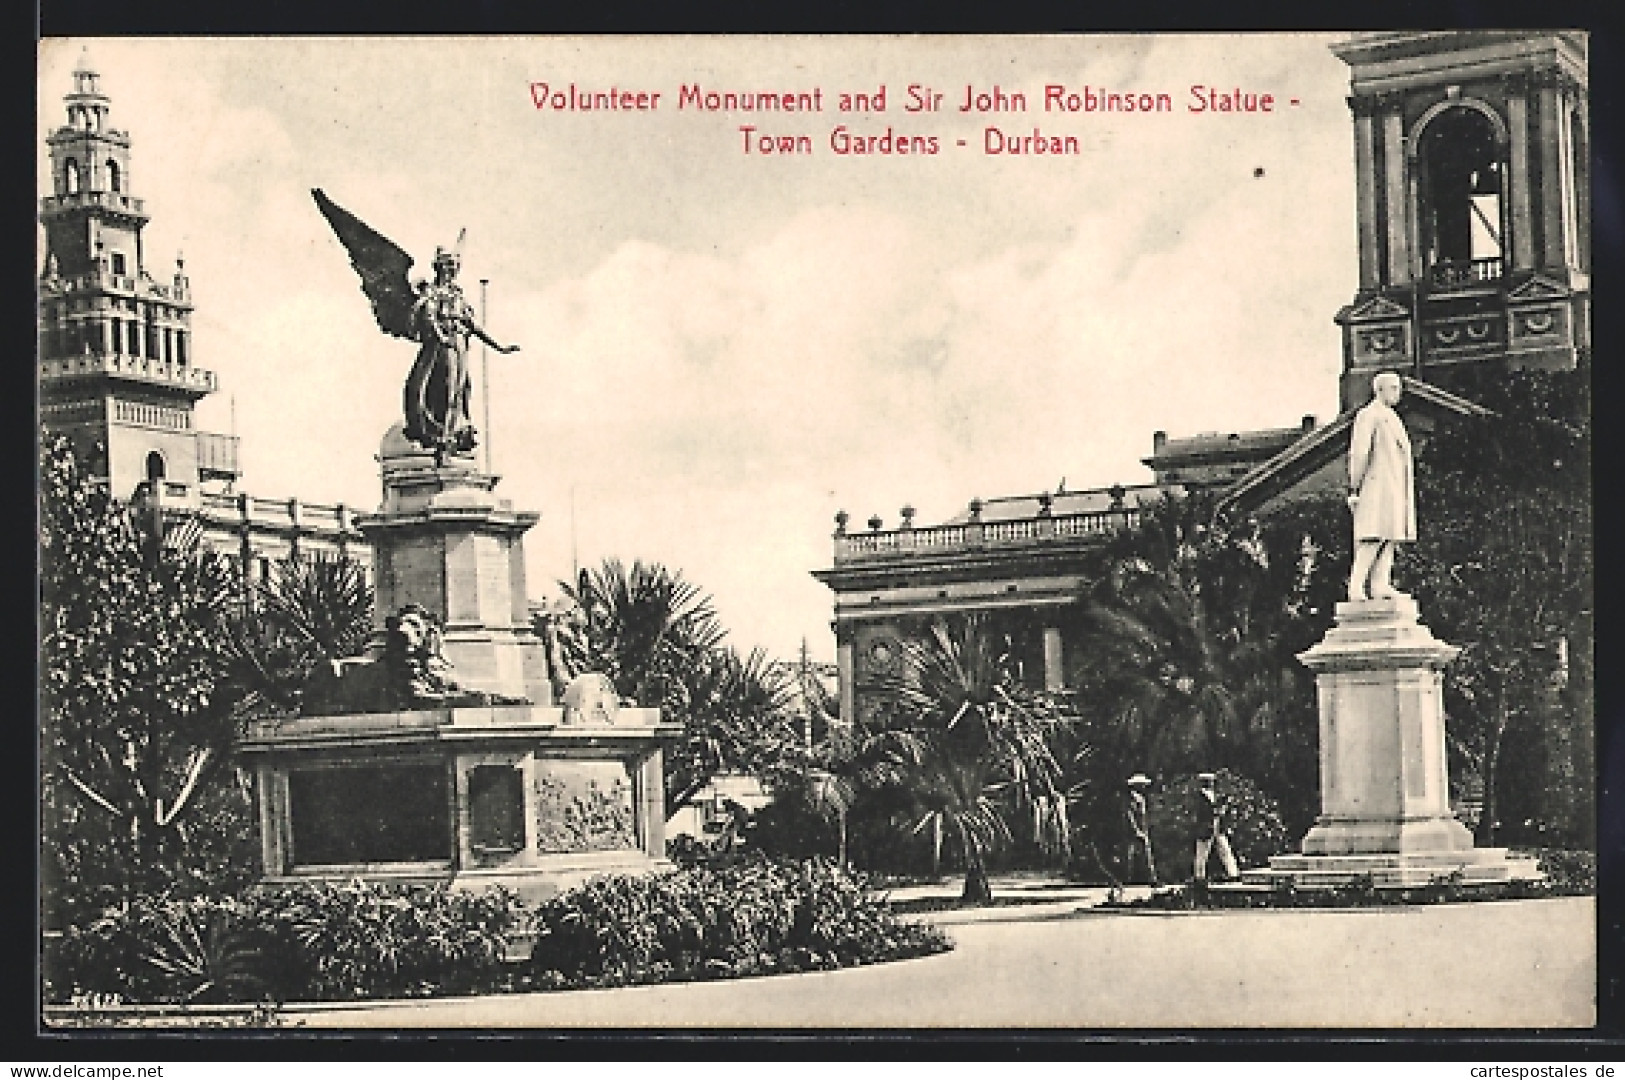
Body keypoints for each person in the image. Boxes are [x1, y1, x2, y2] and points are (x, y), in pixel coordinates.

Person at [403, 247, 519, 455]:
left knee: (459, 390)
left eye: (454, 267)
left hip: (458, 345)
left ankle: (451, 434)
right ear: (439, 268)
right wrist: (441, 336)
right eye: (448, 267)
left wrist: (500, 347)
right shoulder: (431, 292)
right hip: (441, 346)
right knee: (442, 389)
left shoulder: (457, 295)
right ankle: (440, 436)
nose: (452, 271)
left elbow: (473, 325)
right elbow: (428, 316)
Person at [1347, 371, 1416, 602]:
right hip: (1375, 486)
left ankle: (1379, 584)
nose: (1399, 392)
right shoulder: (1369, 415)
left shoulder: (1393, 417)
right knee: (1372, 536)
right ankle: (1356, 585)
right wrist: (1354, 487)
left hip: (1394, 486)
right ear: (1379, 390)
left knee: (1390, 536)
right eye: (1394, 387)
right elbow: (1360, 453)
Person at [1193, 772, 1239, 883]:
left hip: (1216, 827)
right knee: (1202, 854)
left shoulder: (1212, 795)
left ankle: (1233, 873)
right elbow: (1206, 813)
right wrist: (1220, 808)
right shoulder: (1201, 796)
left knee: (1225, 850)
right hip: (1207, 827)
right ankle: (1199, 877)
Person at [1125, 773, 1157, 886]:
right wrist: (1136, 830)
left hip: (1141, 829)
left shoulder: (1140, 798)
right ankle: (1147, 879)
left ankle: (1149, 879)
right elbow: (1130, 815)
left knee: (1143, 854)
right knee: (1135, 855)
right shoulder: (1132, 799)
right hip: (1134, 831)